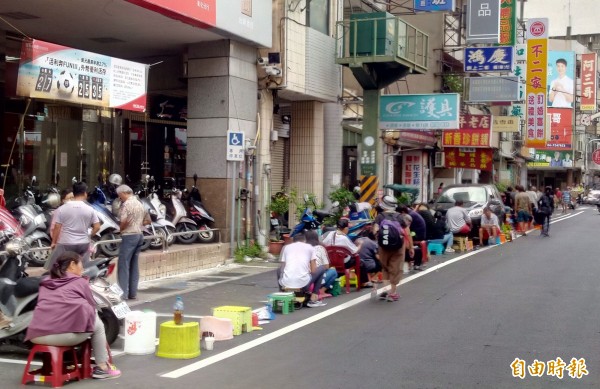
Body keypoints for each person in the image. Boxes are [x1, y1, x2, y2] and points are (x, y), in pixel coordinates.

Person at [25, 252, 121, 379]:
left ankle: (50, 366)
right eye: (81, 263)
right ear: (72, 265)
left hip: (36, 336)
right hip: (63, 336)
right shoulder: (79, 282)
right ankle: (102, 367)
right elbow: (90, 306)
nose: (82, 266)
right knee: (96, 322)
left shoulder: (46, 282)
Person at [47, 182, 100, 270]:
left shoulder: (62, 209)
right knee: (83, 268)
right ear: (85, 193)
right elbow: (97, 226)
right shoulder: (90, 209)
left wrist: (54, 242)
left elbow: (57, 227)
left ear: (74, 193)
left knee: (64, 268)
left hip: (66, 243)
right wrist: (89, 235)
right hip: (83, 243)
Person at [372, 196, 412, 302]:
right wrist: (410, 247)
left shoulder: (380, 217)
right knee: (396, 269)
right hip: (398, 247)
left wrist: (380, 241)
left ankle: (385, 289)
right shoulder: (399, 217)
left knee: (385, 268)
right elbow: (406, 232)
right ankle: (392, 293)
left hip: (383, 246)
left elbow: (375, 231)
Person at [278, 233, 327, 308]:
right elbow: (313, 270)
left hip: (285, 284)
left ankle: (282, 293)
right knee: (321, 268)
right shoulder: (309, 248)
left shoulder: (286, 248)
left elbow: (283, 267)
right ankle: (314, 297)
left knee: (278, 270)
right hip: (303, 285)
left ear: (293, 241)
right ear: (305, 241)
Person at [116, 185, 146, 300]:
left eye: (120, 196)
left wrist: (121, 229)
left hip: (129, 235)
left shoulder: (127, 204)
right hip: (139, 234)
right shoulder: (139, 203)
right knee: (134, 265)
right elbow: (145, 219)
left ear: (124, 193)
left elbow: (124, 221)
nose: (120, 198)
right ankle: (132, 292)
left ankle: (123, 293)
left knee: (123, 264)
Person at [305, 230, 337, 299]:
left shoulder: (303, 249)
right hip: (314, 278)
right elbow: (326, 266)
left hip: (304, 278)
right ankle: (321, 291)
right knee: (333, 271)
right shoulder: (320, 248)